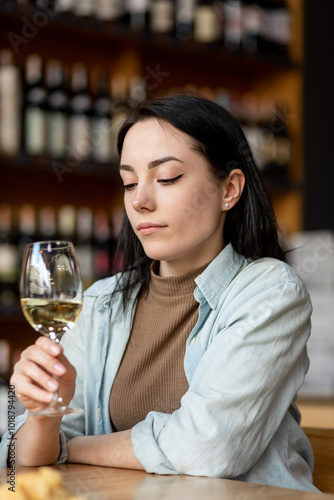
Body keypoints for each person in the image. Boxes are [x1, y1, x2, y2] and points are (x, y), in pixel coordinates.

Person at [0, 93, 317, 491]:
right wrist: (42, 418)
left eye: (166, 178)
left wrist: (73, 446)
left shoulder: (269, 293)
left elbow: (207, 447)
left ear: (229, 190)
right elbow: (15, 459)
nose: (140, 201)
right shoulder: (101, 302)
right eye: (128, 182)